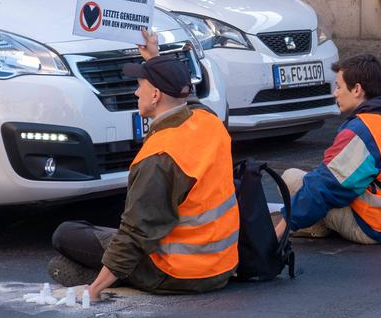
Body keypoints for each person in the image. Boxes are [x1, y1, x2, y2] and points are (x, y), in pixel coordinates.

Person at [48, 29, 239, 298]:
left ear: (156, 96)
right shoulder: (210, 123)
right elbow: (185, 99)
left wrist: (93, 291)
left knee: (66, 234)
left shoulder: (160, 157)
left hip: (178, 274)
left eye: (142, 86)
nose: (136, 91)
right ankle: (109, 273)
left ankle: (106, 277)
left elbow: (135, 234)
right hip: (221, 265)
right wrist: (154, 58)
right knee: (105, 231)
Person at [281, 54, 381, 245]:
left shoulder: (362, 130)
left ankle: (316, 227)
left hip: (378, 228)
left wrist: (279, 229)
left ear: (357, 89)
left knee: (292, 178)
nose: (335, 93)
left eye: (338, 86)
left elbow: (325, 187)